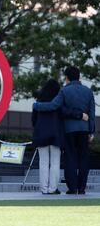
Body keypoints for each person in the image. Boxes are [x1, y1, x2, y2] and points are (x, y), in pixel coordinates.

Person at [34, 67, 96, 195]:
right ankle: (82, 188)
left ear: (67, 77)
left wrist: (37, 105)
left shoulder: (64, 91)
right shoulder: (88, 92)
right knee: (84, 158)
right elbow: (92, 113)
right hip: (84, 129)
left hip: (69, 130)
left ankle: (72, 188)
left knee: (70, 158)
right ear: (79, 77)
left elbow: (54, 106)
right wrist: (91, 131)